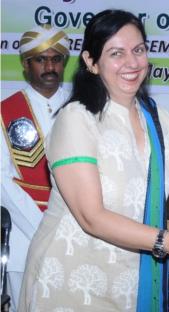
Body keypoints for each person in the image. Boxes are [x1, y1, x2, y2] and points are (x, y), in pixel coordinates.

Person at [18, 10, 169, 311]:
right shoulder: (76, 119)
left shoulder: (162, 120)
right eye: (116, 53)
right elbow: (91, 216)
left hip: (135, 283)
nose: (132, 63)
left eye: (139, 50)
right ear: (92, 62)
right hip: (69, 284)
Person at [0, 24, 70, 311]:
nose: (50, 66)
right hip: (23, 239)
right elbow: (2, 181)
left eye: (56, 59)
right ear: (26, 65)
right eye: (41, 59)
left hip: (74, 240)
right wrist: (43, 227)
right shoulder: (6, 111)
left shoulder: (84, 107)